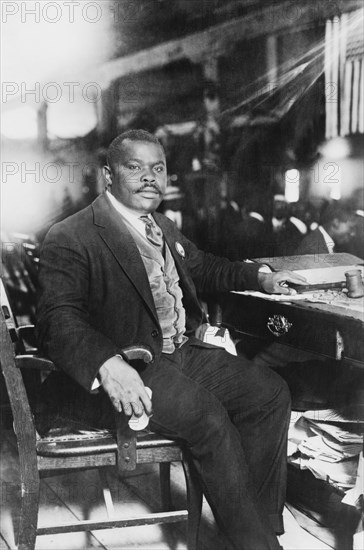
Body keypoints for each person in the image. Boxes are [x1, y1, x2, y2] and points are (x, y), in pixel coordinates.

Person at [36, 129, 306, 550]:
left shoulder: (160, 226)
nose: (149, 178)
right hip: (132, 365)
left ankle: (256, 528)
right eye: (135, 167)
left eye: (157, 168)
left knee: (269, 393)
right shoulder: (72, 235)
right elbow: (57, 320)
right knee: (210, 421)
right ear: (108, 175)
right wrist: (108, 365)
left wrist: (261, 277)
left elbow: (205, 268)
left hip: (180, 353)